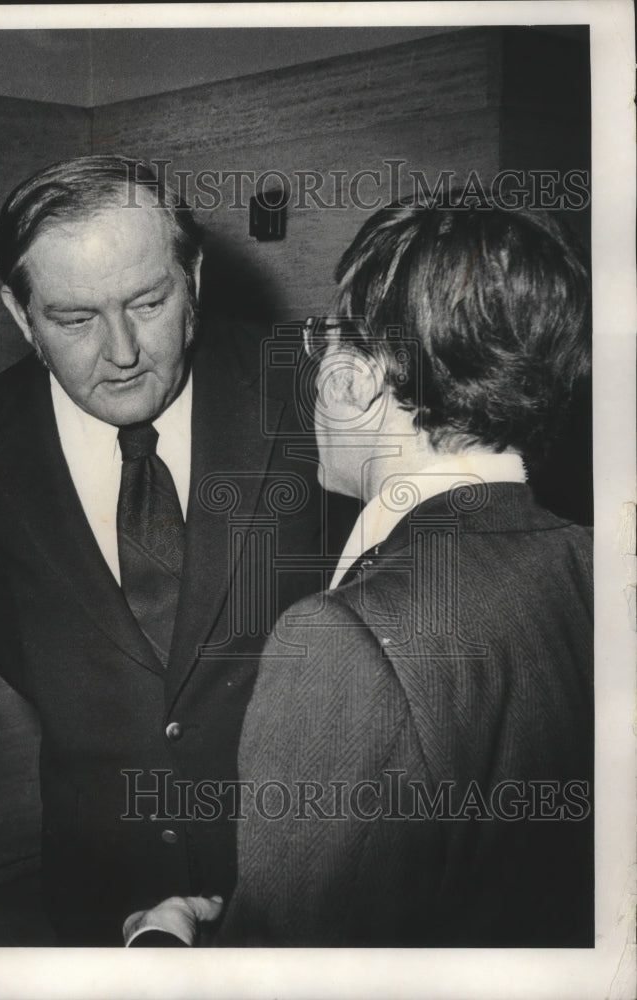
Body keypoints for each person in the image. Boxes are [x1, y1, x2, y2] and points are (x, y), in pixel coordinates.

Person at [124, 199, 594, 947]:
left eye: (324, 341)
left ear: (351, 378)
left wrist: (170, 947)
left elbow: (286, 974)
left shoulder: (344, 640)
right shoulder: (592, 561)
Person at [0, 155, 348, 945]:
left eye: (149, 302)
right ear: (21, 317)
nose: (122, 351)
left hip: (293, 866)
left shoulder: (302, 389)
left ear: (193, 278)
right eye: (75, 318)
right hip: (101, 873)